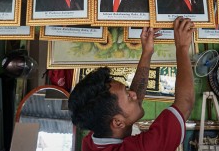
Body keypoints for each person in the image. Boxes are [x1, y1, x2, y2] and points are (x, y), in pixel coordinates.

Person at [69, 17, 195, 151]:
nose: (134, 94)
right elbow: (185, 103)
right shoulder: (143, 148)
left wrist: (147, 52)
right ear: (117, 123)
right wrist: (182, 47)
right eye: (129, 96)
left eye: (127, 91)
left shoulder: (95, 136)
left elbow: (131, 105)